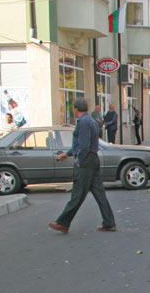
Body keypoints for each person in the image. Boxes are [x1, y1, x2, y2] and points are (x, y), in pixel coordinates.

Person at [48, 98, 116, 233]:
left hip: (86, 162)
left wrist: (79, 160)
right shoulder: (91, 120)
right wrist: (67, 154)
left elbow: (83, 146)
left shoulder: (84, 122)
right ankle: (109, 222)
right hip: (93, 159)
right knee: (99, 193)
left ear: (75, 109)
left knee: (78, 193)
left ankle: (63, 222)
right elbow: (81, 144)